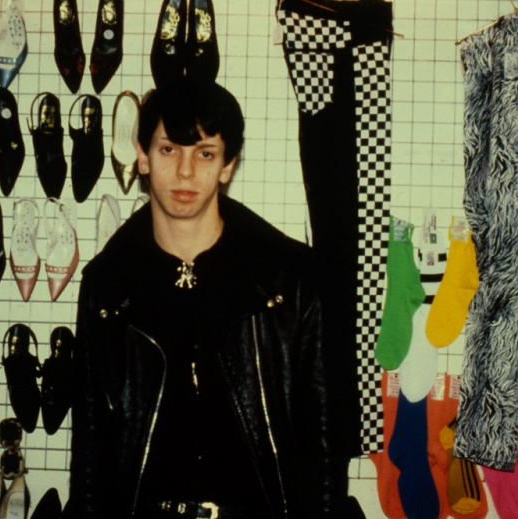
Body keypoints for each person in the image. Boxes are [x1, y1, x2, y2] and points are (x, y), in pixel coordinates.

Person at [65, 77, 350, 519]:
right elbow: (90, 449)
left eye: (204, 153)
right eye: (168, 149)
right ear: (141, 156)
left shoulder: (289, 280)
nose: (185, 172)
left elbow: (323, 441)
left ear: (227, 165)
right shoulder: (106, 286)